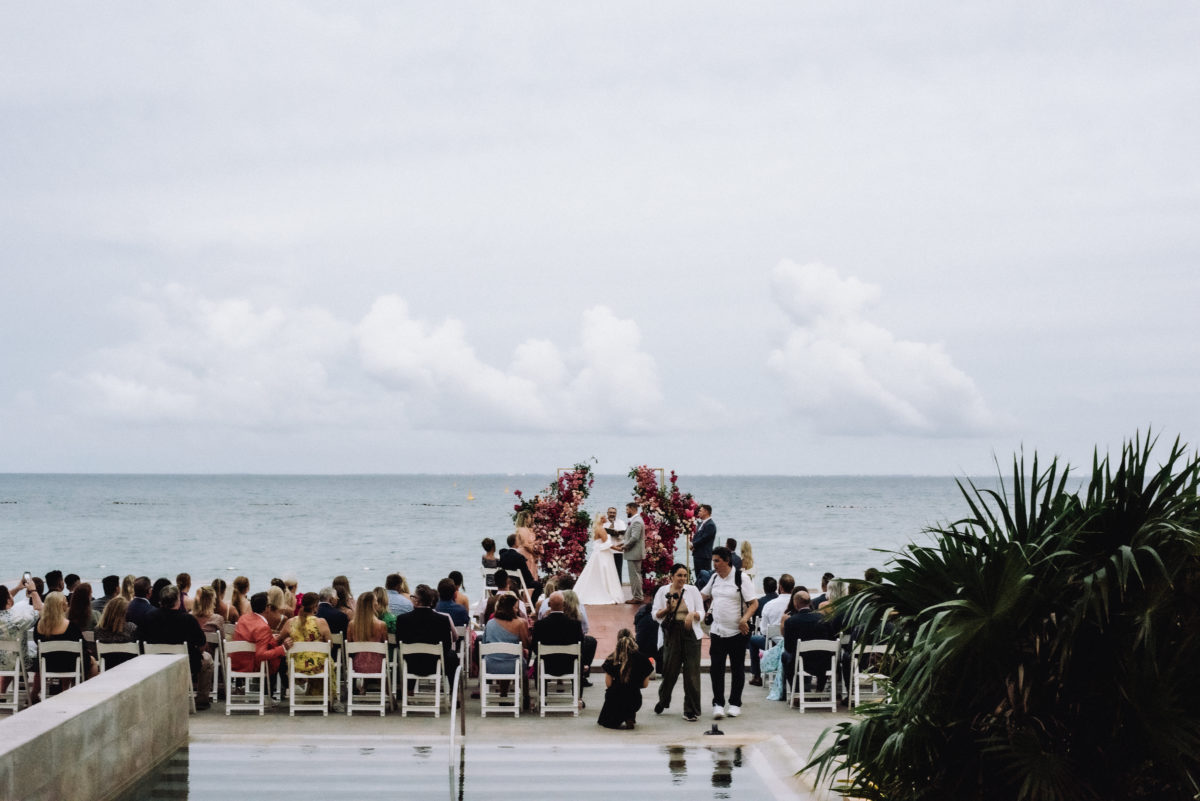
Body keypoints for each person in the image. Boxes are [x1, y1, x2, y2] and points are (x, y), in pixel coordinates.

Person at [701, 546, 758, 719]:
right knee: (716, 669)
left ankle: (735, 703)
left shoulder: (741, 578)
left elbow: (754, 603)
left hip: (737, 632)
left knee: (737, 668)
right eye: (713, 561)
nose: (714, 564)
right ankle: (718, 704)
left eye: (717, 561)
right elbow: (702, 595)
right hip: (717, 631)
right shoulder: (714, 578)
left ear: (727, 561)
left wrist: (744, 619)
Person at [139, 585, 214, 710]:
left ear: (161, 601)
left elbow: (140, 641)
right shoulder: (187, 619)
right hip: (186, 663)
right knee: (208, 660)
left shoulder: (148, 617)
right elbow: (201, 643)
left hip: (155, 662)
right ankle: (202, 700)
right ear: (178, 601)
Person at [652, 564, 705, 721]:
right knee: (670, 670)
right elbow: (654, 614)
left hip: (691, 633)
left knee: (692, 673)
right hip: (672, 632)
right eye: (679, 575)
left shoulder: (692, 590)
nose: (682, 578)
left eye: (685, 575)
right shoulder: (663, 591)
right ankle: (663, 700)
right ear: (672, 576)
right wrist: (667, 609)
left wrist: (692, 615)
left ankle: (690, 710)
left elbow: (702, 612)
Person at [34, 590, 94, 698]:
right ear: (61, 605)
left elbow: (36, 641)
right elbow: (82, 645)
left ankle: (61, 691)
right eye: (65, 601)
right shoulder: (70, 626)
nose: (67, 603)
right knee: (91, 661)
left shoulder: (39, 625)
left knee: (62, 656)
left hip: (47, 665)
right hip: (69, 665)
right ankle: (87, 695)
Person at [395, 584, 459, 679]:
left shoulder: (402, 619)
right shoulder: (442, 620)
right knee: (452, 655)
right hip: (435, 665)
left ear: (416, 600)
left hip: (411, 665)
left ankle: (409, 686)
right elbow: (447, 646)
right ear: (431, 601)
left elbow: (399, 643)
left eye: (413, 597)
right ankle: (452, 686)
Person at [781, 589, 836, 693]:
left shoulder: (791, 621)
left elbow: (788, 647)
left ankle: (796, 691)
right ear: (810, 602)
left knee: (785, 656)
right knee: (825, 654)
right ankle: (819, 689)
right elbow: (832, 640)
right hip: (825, 663)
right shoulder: (824, 618)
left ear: (795, 603)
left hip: (802, 663)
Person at [597, 628, 653, 729]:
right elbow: (645, 685)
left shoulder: (612, 658)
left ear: (618, 641)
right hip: (635, 700)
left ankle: (620, 715)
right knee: (630, 694)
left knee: (604, 722)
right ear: (633, 640)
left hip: (615, 700)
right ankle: (629, 716)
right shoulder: (643, 659)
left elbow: (608, 684)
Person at [230, 592, 293, 679]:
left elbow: (251, 638)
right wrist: (283, 648)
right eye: (269, 605)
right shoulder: (263, 627)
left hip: (236, 662)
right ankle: (279, 686)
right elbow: (261, 655)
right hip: (249, 666)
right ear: (267, 608)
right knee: (282, 659)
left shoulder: (243, 618)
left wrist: (270, 638)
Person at [531, 592, 585, 684]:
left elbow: (535, 647)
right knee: (580, 658)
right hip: (569, 665)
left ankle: (541, 690)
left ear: (549, 605)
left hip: (547, 665)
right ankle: (578, 690)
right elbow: (581, 646)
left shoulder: (539, 625)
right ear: (564, 604)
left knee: (537, 660)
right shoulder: (575, 625)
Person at [0, 579, 41, 696]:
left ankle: (2, 692)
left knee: (10, 657)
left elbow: (4, 600)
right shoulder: (18, 619)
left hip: (4, 661)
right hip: (17, 663)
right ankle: (34, 695)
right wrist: (33, 591)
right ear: (8, 600)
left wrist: (17, 588)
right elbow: (39, 610)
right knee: (42, 659)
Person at [482, 594, 530, 695]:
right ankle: (525, 697)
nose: (517, 610)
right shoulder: (520, 623)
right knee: (516, 660)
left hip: (490, 665)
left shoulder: (490, 623)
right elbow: (526, 644)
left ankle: (503, 694)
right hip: (513, 666)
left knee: (503, 656)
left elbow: (484, 643)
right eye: (515, 607)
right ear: (510, 608)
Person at [573, 514, 625, 604]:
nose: (606, 517)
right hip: (603, 554)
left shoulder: (598, 528)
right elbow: (607, 543)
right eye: (604, 516)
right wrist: (618, 549)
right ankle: (606, 592)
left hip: (599, 553)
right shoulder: (601, 529)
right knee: (605, 572)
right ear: (601, 519)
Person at [287, 592, 332, 692]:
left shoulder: (291, 622)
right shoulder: (321, 622)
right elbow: (330, 645)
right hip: (318, 667)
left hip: (296, 666)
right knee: (325, 659)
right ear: (315, 607)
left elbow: (280, 640)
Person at [346, 591, 388, 675]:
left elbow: (349, 645)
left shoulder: (351, 624)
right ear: (373, 605)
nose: (377, 603)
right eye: (376, 600)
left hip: (357, 665)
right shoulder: (381, 625)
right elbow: (385, 646)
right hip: (378, 666)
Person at [747, 576, 779, 686]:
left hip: (769, 640)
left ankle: (756, 675)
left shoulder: (760, 602)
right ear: (776, 588)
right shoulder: (785, 602)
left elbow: (759, 624)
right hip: (784, 639)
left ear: (764, 588)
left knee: (752, 640)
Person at [94, 596, 138, 670]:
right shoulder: (131, 628)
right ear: (123, 613)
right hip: (129, 669)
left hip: (107, 669)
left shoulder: (98, 630)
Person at [618, 502, 646, 604]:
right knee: (636, 575)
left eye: (627, 509)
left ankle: (637, 597)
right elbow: (631, 536)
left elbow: (634, 538)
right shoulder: (635, 520)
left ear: (633, 509)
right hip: (634, 553)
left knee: (635, 576)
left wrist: (624, 546)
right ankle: (638, 596)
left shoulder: (637, 521)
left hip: (634, 553)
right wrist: (623, 543)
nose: (626, 511)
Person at [689, 504, 717, 587]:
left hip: (704, 556)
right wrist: (692, 544)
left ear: (706, 512)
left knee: (705, 577)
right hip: (698, 554)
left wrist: (693, 544)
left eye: (700, 511)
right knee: (698, 576)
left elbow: (704, 538)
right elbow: (697, 536)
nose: (698, 512)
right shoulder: (701, 524)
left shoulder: (710, 525)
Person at [604, 506, 627, 581]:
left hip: (617, 550)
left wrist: (617, 534)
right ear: (607, 513)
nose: (612, 514)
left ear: (616, 513)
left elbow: (624, 537)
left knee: (618, 571)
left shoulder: (621, 523)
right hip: (607, 550)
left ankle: (619, 587)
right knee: (607, 572)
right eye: (610, 512)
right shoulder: (603, 523)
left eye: (614, 513)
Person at [514, 510, 541, 576]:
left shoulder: (524, 529)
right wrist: (534, 554)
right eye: (529, 517)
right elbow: (525, 545)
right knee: (529, 573)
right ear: (525, 519)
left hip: (527, 553)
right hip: (526, 553)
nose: (530, 519)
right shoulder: (522, 530)